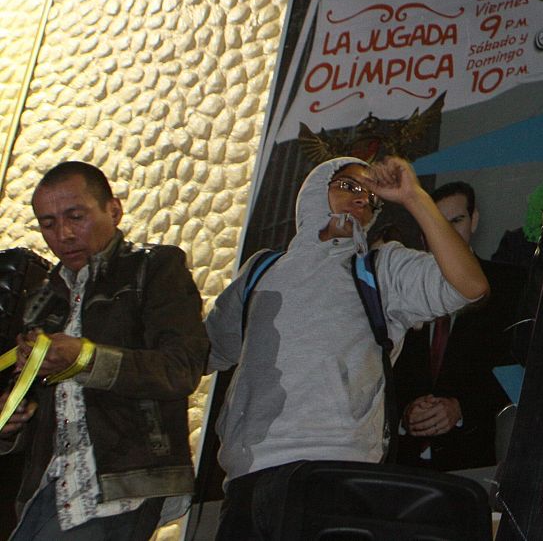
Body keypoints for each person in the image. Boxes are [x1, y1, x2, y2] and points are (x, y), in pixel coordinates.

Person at [205, 156, 488, 539]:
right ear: (314, 192)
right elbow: (200, 352)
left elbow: (469, 286)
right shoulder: (260, 271)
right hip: (246, 478)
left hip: (337, 474)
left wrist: (414, 196)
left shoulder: (381, 268)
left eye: (371, 196)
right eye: (348, 186)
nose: (361, 199)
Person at [0, 162, 207, 540]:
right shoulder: (42, 299)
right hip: (48, 485)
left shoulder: (155, 267)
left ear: (114, 209)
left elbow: (182, 367)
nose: (62, 234)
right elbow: (36, 403)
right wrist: (10, 418)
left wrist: (86, 358)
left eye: (75, 216)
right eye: (47, 224)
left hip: (125, 481)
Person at [390, 183, 511, 472]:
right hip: (401, 464)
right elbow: (386, 368)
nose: (448, 233)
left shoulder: (509, 285)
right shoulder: (399, 287)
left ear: (474, 220)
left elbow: (519, 371)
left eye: (457, 220)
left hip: (475, 463)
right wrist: (405, 413)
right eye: (437, 223)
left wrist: (461, 409)